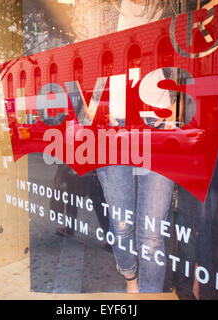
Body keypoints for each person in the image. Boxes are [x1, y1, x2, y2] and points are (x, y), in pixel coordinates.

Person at [76, 0, 178, 293]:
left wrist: (177, 108)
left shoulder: (171, 6)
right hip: (113, 126)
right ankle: (131, 282)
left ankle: (148, 294)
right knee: (121, 225)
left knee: (152, 233)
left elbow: (187, 58)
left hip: (158, 128)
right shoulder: (98, 8)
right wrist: (91, 108)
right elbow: (79, 60)